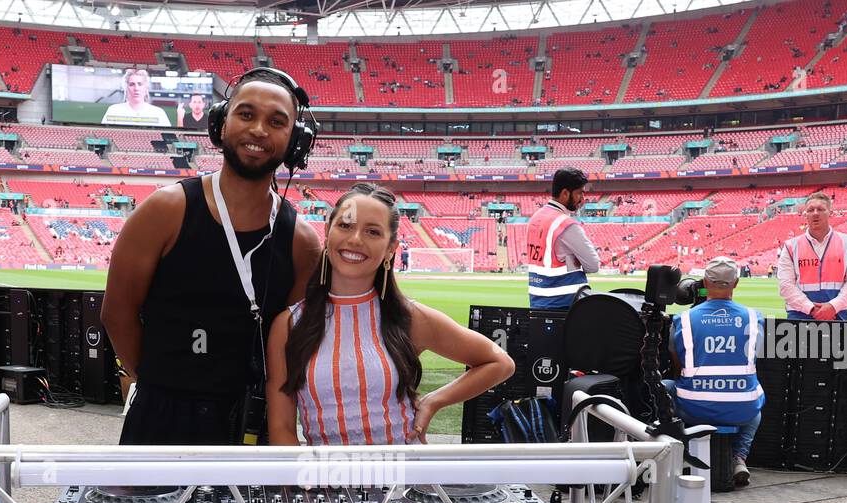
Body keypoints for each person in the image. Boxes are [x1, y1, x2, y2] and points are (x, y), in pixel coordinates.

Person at [103, 67, 322, 445]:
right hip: (162, 414)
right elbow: (117, 313)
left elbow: (291, 348)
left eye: (276, 122)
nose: (258, 130)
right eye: (246, 114)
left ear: (295, 142)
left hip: (253, 421)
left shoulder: (301, 241)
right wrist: (157, 382)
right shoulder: (166, 210)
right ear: (221, 124)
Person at [266, 184, 514, 445]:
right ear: (327, 231)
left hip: (405, 481)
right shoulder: (289, 325)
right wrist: (304, 485)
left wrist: (433, 401)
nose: (355, 240)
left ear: (391, 247)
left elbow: (500, 363)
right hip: (326, 483)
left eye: (373, 231)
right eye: (346, 226)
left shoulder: (410, 318)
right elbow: (281, 428)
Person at [663, 257, 766, 488]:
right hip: (741, 409)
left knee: (667, 386)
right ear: (736, 283)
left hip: (694, 409)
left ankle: (678, 452)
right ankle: (739, 457)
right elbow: (753, 358)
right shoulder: (753, 317)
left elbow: (677, 363)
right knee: (756, 394)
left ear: (705, 282)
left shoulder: (684, 319)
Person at [777, 192, 847, 321]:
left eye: (821, 209)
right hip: (799, 316)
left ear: (830, 213)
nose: (815, 213)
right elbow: (785, 285)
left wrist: (833, 307)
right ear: (805, 214)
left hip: (836, 315)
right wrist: (811, 309)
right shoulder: (790, 246)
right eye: (810, 210)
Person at [527, 166, 599, 310]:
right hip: (565, 305)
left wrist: (567, 260)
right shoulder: (567, 225)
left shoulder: (534, 218)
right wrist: (574, 261)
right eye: (579, 193)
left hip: (537, 302)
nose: (582, 199)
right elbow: (593, 265)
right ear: (565, 193)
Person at [102, 68, 171, 127]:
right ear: (126, 87)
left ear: (146, 87)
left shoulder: (158, 113)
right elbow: (103, 136)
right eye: (132, 84)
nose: (136, 88)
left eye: (140, 84)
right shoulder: (113, 110)